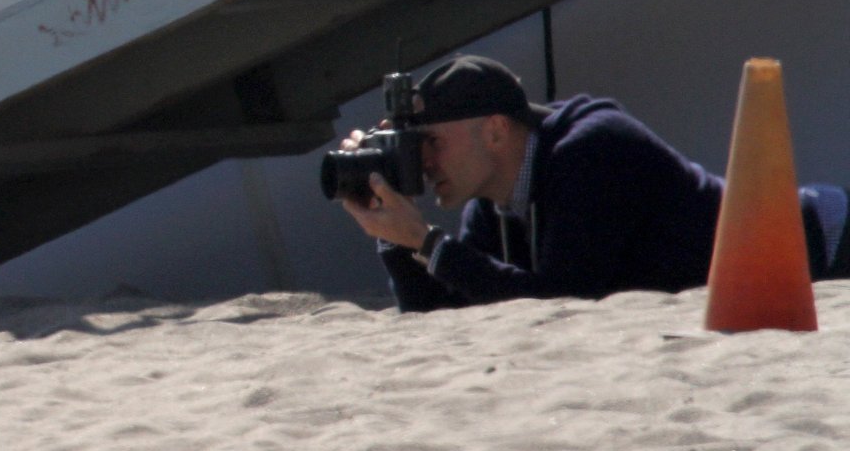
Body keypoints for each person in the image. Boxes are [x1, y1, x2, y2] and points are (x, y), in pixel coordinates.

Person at [336, 55, 850, 312]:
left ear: (494, 130)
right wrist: (393, 236)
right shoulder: (490, 206)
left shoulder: (592, 151)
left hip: (822, 248)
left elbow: (565, 300)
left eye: (432, 142)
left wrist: (427, 242)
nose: (424, 161)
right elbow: (453, 313)